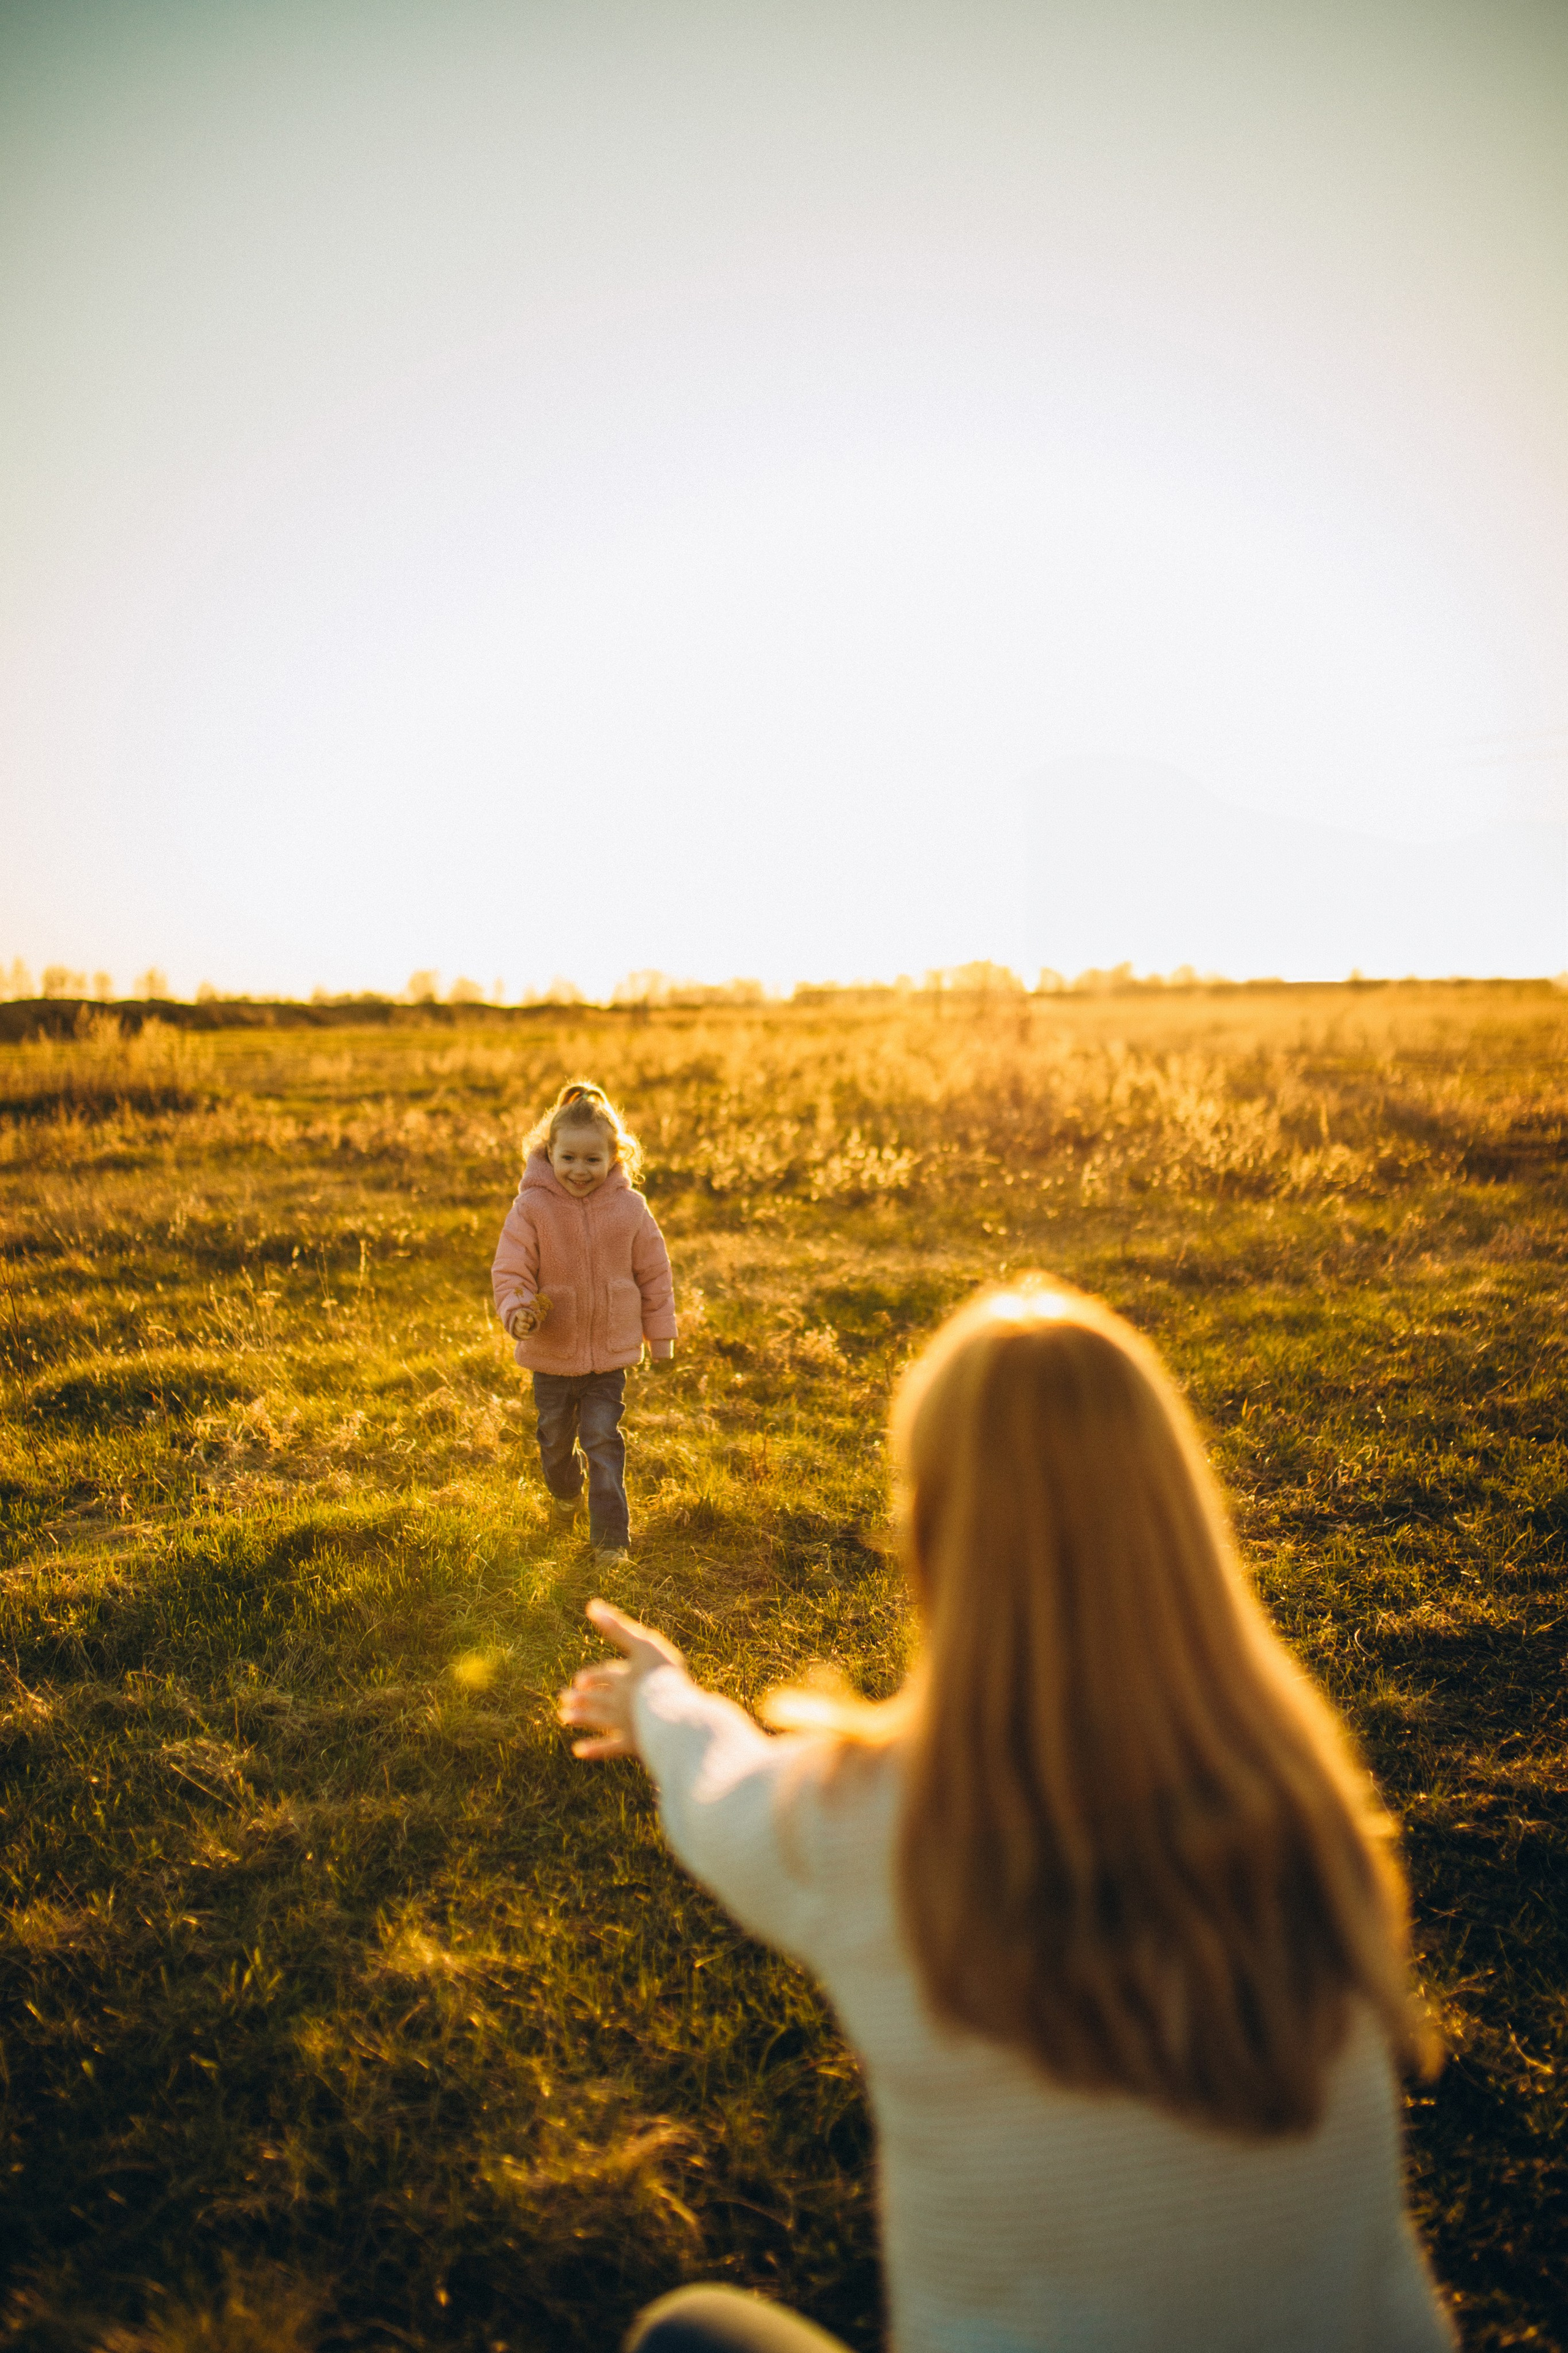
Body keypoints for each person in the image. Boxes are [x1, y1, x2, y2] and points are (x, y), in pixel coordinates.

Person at [557, 1281, 1456, 2353]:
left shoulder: (873, 1825)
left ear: (934, 1529)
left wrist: (662, 1693)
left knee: (689, 2334)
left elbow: (719, 1796)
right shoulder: (1294, 1786)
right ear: (1174, 1510)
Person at [492, 1081, 676, 1565]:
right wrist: (519, 1310)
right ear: (548, 1152)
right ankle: (564, 1491)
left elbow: (654, 1272)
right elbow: (511, 1269)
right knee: (554, 1440)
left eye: (593, 1160)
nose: (579, 1170)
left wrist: (660, 1334)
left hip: (608, 1357)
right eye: (568, 1158)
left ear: (615, 1157)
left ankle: (611, 1540)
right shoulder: (531, 1208)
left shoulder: (631, 1209)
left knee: (603, 1440)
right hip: (552, 1354)